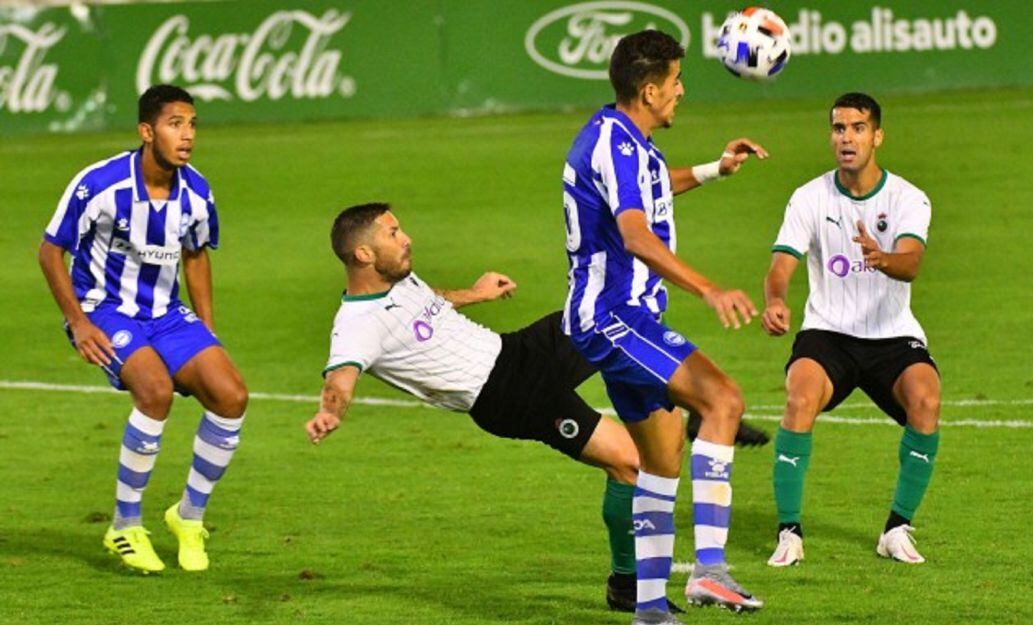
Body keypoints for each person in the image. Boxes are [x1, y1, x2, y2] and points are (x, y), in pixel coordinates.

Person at [304, 203, 769, 612]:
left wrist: (475, 293)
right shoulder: (355, 325)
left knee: (606, 316)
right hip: (508, 397)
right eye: (392, 234)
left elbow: (428, 304)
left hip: (518, 351)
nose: (406, 238)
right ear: (363, 254)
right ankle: (628, 582)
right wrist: (331, 412)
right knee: (630, 461)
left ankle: (692, 405)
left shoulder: (398, 280)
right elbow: (341, 377)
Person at [559, 30, 768, 624]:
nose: (681, 91)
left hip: (622, 317)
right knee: (723, 398)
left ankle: (649, 609)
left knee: (660, 462)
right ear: (649, 90)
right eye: (675, 82)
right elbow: (634, 232)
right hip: (613, 317)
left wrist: (715, 170)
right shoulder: (615, 144)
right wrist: (708, 288)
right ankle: (709, 570)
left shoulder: (626, 141)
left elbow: (651, 190)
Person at [38, 84, 248, 574]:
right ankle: (124, 525)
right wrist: (78, 322)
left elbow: (196, 255)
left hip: (166, 314)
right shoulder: (100, 184)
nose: (188, 135)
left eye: (193, 124)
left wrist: (208, 333)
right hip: (105, 309)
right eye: (176, 123)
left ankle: (188, 517)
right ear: (146, 131)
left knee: (231, 395)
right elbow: (51, 251)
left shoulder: (196, 190)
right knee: (154, 392)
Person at [760, 92, 940, 567]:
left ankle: (897, 528)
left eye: (858, 128)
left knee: (926, 399)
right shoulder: (809, 197)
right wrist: (776, 299)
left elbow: (912, 263)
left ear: (877, 136)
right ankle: (789, 533)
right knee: (798, 397)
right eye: (839, 128)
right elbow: (781, 264)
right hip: (828, 333)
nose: (847, 137)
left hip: (891, 333)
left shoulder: (908, 198)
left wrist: (883, 259)